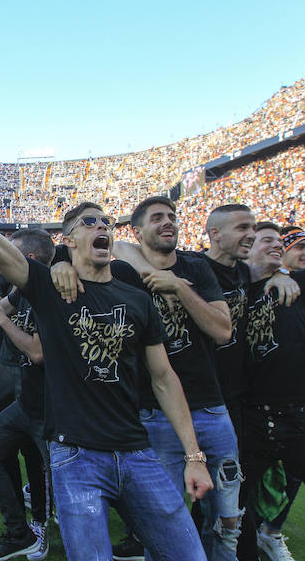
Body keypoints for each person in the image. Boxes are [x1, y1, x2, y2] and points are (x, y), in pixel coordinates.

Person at [0, 137, 212, 560]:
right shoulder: (46, 288)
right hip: (76, 455)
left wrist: (194, 455)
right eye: (89, 222)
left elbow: (163, 377)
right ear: (68, 239)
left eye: (106, 222)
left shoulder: (135, 298)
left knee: (189, 555)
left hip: (138, 452)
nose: (102, 226)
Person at [107, 196, 241, 561]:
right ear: (137, 231)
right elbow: (113, 246)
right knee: (164, 520)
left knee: (227, 519)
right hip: (154, 414)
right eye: (157, 218)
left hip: (211, 410)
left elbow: (222, 330)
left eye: (172, 217)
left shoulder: (196, 267)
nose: (168, 222)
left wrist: (179, 287)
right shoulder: (122, 268)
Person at [237, 222, 305, 561]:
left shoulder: (302, 281)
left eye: (281, 243)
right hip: (252, 415)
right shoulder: (230, 285)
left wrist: (282, 272)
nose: (277, 246)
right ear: (246, 248)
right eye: (267, 241)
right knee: (231, 504)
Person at [0, 228, 56, 561]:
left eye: (9, 253)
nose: (2, 260)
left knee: (43, 468)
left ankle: (40, 528)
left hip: (51, 405)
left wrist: (4, 322)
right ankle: (19, 530)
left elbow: (37, 352)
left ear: (27, 260)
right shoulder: (21, 291)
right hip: (26, 401)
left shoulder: (54, 290)